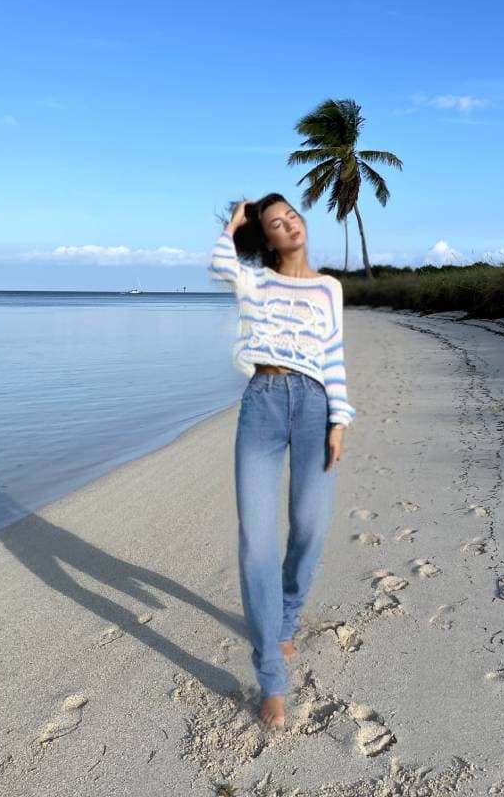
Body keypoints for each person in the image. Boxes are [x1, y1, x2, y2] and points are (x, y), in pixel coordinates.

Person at [207, 193, 356, 730]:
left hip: (316, 405)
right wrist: (235, 222)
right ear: (265, 237)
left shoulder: (329, 287)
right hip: (262, 407)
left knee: (311, 529)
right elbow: (220, 264)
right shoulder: (256, 281)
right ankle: (271, 673)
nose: (290, 225)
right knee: (256, 540)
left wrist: (340, 418)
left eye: (292, 216)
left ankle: (288, 615)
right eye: (276, 223)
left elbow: (334, 354)